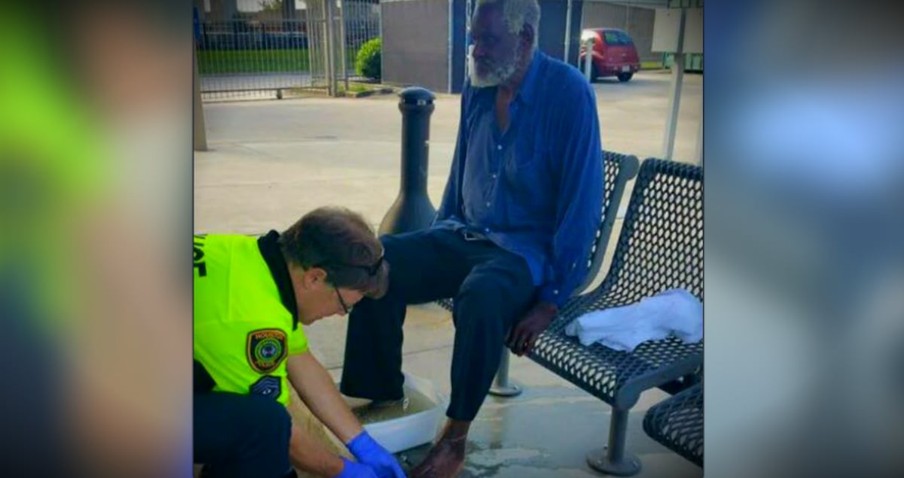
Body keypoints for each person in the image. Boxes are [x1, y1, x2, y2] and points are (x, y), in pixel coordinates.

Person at [339, 0, 604, 476]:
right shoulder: (479, 86)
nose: (476, 49)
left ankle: (453, 439)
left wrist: (552, 299)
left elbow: (581, 203)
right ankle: (380, 394)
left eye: (488, 40)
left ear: (525, 39)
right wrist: (440, 233)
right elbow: (462, 169)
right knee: (378, 261)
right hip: (467, 234)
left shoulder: (570, 94)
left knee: (480, 296)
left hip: (525, 255)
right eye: (472, 38)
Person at [194, 206, 407, 478]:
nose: (340, 315)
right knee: (265, 426)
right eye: (343, 305)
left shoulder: (253, 262)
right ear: (315, 277)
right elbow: (284, 434)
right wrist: (343, 470)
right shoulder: (249, 320)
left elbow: (299, 358)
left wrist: (362, 443)